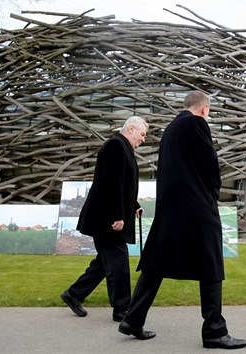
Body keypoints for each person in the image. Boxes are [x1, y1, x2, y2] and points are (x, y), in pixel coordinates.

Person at [117, 91, 246, 350]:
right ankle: (213, 331)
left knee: (156, 264)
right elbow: (211, 166)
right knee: (211, 264)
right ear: (204, 109)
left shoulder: (170, 130)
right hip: (197, 208)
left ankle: (132, 319)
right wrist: (211, 198)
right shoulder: (197, 123)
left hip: (171, 209)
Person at [60, 116, 148, 322]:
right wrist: (118, 215)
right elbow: (112, 183)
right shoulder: (115, 146)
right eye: (142, 135)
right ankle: (122, 309)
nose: (143, 140)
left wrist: (134, 205)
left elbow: (123, 184)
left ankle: (74, 295)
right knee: (118, 262)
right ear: (132, 129)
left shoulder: (121, 146)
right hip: (107, 219)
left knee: (105, 262)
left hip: (107, 217)